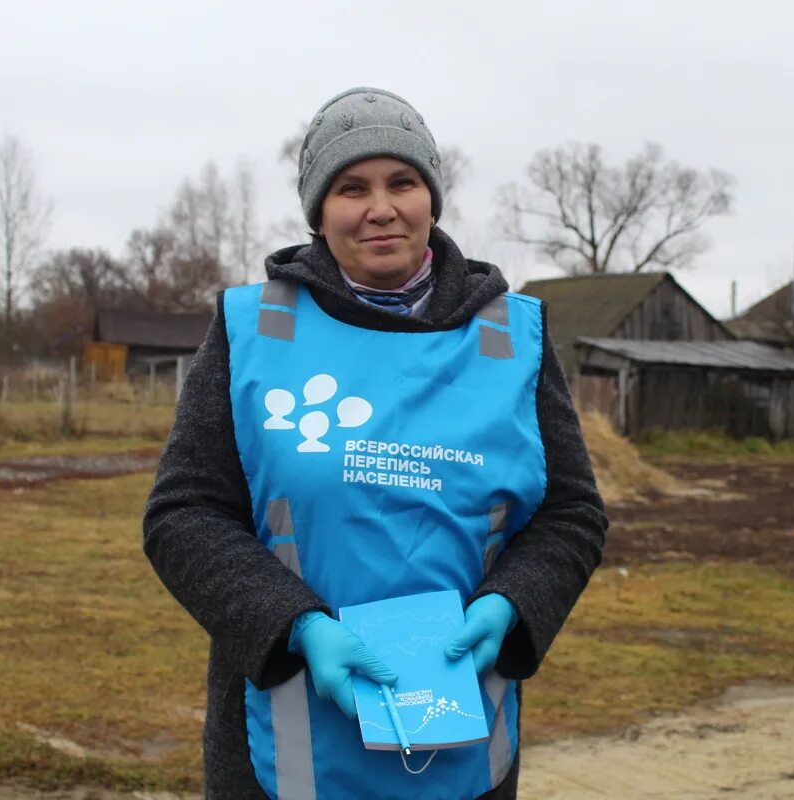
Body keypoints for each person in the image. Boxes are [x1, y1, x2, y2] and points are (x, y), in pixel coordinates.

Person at [143, 86, 607, 800]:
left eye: (403, 181)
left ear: (432, 196)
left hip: (465, 740)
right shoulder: (251, 332)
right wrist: (292, 625)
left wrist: (514, 602)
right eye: (351, 187)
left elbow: (571, 515)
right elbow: (183, 514)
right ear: (319, 212)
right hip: (281, 746)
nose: (380, 207)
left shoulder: (513, 339)